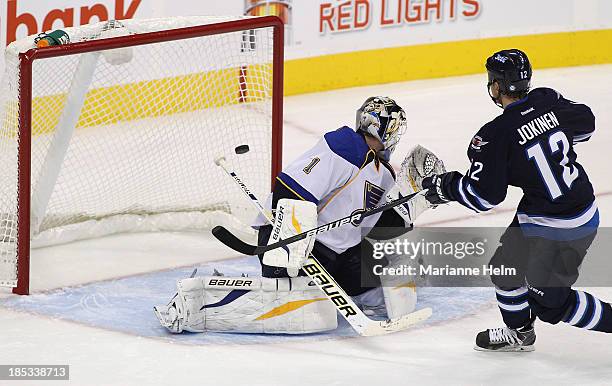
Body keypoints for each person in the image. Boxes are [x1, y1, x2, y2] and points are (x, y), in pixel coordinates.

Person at [420, 49, 608, 351]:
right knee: (505, 269)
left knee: (551, 305)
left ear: (496, 86)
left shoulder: (494, 135)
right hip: (555, 210)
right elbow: (586, 124)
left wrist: (448, 187)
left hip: (564, 227)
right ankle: (519, 333)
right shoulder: (548, 99)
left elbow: (483, 198)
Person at [256, 96, 444, 317]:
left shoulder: (383, 173)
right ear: (386, 131)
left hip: (337, 256)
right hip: (294, 245)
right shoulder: (342, 147)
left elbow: (379, 228)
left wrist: (414, 203)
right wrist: (287, 248)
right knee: (306, 307)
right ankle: (284, 287)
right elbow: (290, 189)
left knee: (379, 288)